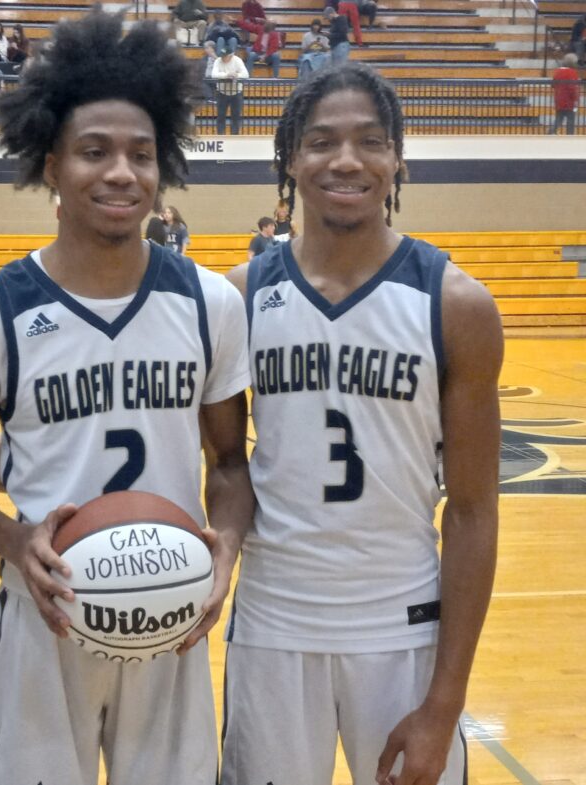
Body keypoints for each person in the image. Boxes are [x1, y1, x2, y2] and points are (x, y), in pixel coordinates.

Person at [0, 11, 252, 785]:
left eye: (142, 154)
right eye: (95, 152)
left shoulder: (213, 304)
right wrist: (16, 543)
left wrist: (225, 552)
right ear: (50, 164)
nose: (122, 173)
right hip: (48, 616)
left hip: (172, 608)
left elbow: (231, 464)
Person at [221, 61, 502, 785]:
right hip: (273, 625)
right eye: (321, 141)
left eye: (371, 141)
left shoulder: (456, 305)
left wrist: (445, 703)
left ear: (397, 158)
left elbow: (472, 512)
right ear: (289, 158)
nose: (347, 159)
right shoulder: (238, 298)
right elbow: (223, 465)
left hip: (402, 630)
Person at [211, 40, 248, 134]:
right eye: (222, 55)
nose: (223, 58)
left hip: (236, 93)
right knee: (220, 116)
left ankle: (234, 138)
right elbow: (213, 74)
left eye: (225, 56)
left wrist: (236, 75)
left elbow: (246, 74)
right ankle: (220, 137)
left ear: (231, 55)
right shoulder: (218, 61)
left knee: (236, 117)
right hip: (222, 93)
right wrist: (227, 75)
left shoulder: (237, 60)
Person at [549, 53, 579, 135]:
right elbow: (572, 88)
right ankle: (570, 136)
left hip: (558, 98)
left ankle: (551, 132)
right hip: (569, 100)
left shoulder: (558, 71)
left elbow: (553, 84)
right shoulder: (572, 72)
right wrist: (575, 99)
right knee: (570, 120)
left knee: (559, 118)